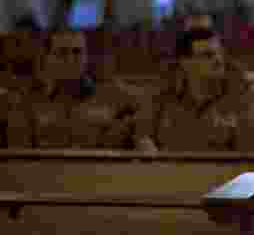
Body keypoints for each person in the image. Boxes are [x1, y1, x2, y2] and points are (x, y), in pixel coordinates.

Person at [6, 29, 154, 150]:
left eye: (77, 53)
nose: (71, 60)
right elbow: (19, 157)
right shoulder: (29, 102)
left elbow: (144, 139)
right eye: (62, 53)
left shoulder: (115, 96)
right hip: (46, 179)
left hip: (101, 179)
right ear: (48, 58)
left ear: (86, 58)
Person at [148, 28, 254, 151]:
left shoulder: (240, 96)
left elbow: (252, 150)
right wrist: (144, 142)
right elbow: (142, 134)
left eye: (219, 53)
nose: (218, 60)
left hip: (220, 168)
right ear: (185, 63)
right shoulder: (164, 95)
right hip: (169, 168)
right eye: (207, 55)